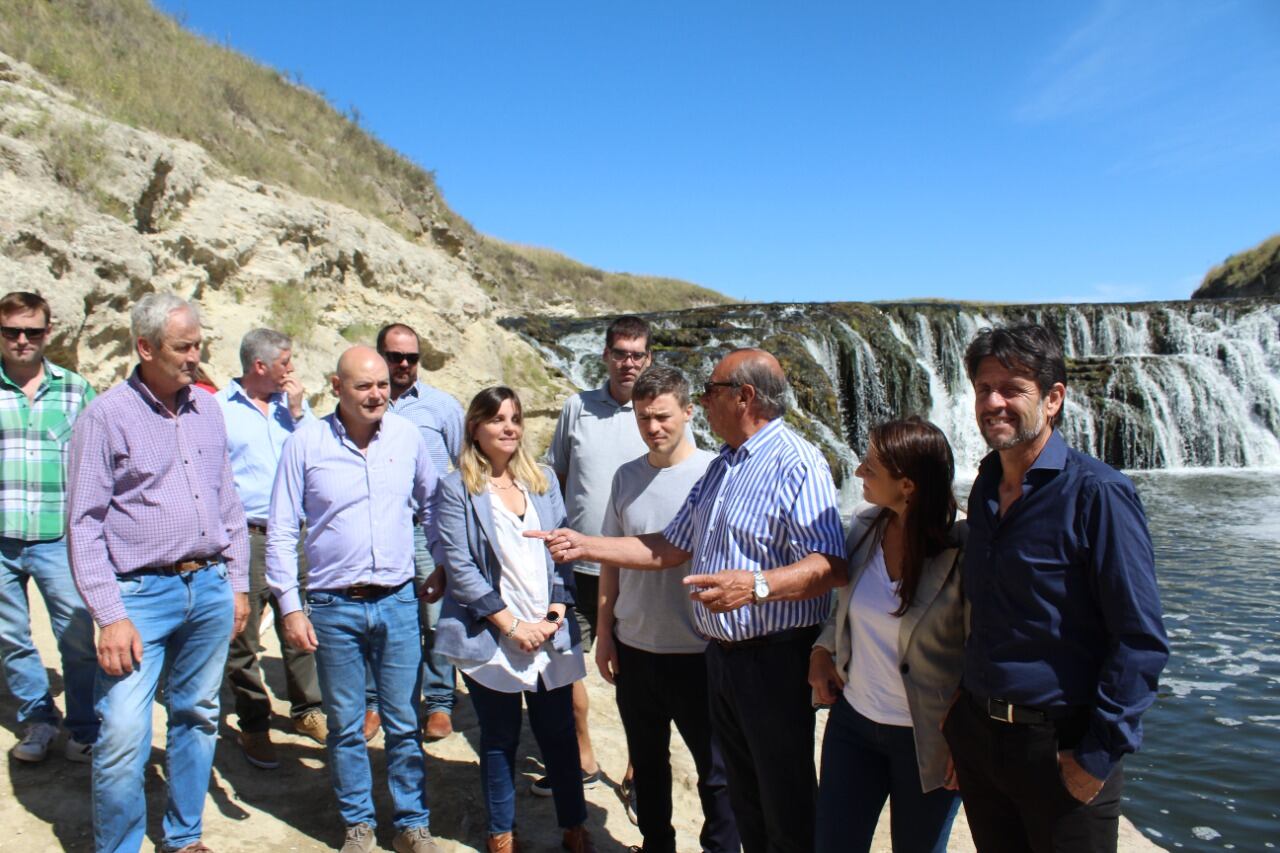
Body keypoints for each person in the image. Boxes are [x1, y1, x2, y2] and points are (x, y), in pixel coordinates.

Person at [532, 347, 847, 853]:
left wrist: (755, 584)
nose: (703, 399)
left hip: (774, 661)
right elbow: (668, 546)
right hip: (722, 660)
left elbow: (831, 564)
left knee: (784, 801)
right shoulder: (724, 467)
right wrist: (584, 544)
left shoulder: (796, 460)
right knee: (746, 797)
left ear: (744, 397)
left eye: (711, 390)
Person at [942, 323, 1169, 853]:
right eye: (982, 389)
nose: (993, 402)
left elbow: (1140, 638)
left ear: (1053, 399)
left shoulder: (1100, 495)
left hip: (1060, 748)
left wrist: (1097, 755)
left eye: (1012, 389)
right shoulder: (984, 490)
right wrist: (962, 721)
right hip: (981, 737)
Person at [67, 293, 250, 853]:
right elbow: (83, 523)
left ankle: (183, 837)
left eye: (199, 345)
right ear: (145, 348)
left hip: (211, 586)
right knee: (123, 732)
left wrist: (237, 582)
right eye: (183, 347)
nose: (195, 356)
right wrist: (109, 614)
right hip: (139, 596)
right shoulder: (105, 417)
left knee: (197, 713)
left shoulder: (208, 409)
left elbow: (228, 502)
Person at [266, 346, 440, 853]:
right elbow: (279, 531)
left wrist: (441, 565)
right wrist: (290, 606)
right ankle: (358, 827)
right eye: (364, 385)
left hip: (398, 602)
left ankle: (412, 825)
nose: (376, 394)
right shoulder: (305, 442)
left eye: (383, 384)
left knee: (405, 721)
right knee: (344, 725)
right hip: (332, 606)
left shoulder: (406, 437)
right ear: (336, 386)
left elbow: (432, 504)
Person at [433, 386, 594, 853]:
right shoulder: (457, 487)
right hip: (493, 636)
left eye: (515, 418)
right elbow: (460, 568)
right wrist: (512, 627)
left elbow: (563, 552)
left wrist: (552, 616)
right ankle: (501, 832)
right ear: (475, 428)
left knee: (559, 734)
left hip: (548, 631)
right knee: (500, 740)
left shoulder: (542, 479)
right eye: (497, 419)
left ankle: (574, 826)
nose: (509, 427)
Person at [594, 365, 740, 853]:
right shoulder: (625, 477)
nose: (653, 428)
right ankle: (657, 844)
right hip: (636, 649)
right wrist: (605, 631)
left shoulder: (715, 474)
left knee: (716, 773)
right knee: (648, 765)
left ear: (688, 411)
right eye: (642, 418)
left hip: (699, 651)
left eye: (662, 417)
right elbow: (612, 558)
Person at [808, 417, 965, 853]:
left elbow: (986, 647)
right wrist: (822, 649)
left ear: (909, 485)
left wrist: (967, 736)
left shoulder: (963, 546)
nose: (858, 472)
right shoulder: (865, 525)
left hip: (926, 738)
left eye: (871, 467)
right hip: (854, 726)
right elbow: (844, 607)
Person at [543, 315, 656, 798]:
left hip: (633, 569)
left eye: (638, 354)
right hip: (574, 565)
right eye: (620, 353)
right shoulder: (577, 407)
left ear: (649, 359)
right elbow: (554, 476)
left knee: (639, 675)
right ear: (605, 356)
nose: (628, 362)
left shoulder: (656, 412)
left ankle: (640, 767)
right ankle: (582, 756)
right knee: (563, 664)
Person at [215, 328, 325, 768]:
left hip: (295, 534)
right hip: (246, 535)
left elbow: (322, 451)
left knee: (299, 628)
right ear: (260, 366)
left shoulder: (293, 407)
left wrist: (299, 413)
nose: (292, 369)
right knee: (242, 638)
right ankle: (255, 724)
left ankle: (306, 711)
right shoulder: (218, 410)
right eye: (285, 361)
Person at [0, 291, 98, 764]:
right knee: (12, 639)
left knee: (77, 637)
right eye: (11, 331)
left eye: (32, 331)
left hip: (60, 538)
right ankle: (38, 721)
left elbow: (101, 463)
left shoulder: (76, 390)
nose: (22, 340)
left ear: (47, 333)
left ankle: (84, 726)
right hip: (2, 540)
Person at [377, 322, 465, 742]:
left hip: (428, 527)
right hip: (378, 530)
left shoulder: (441, 406)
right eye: (396, 357)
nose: (406, 364)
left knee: (435, 619)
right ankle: (376, 702)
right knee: (380, 618)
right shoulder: (365, 402)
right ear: (381, 357)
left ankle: (439, 701)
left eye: (413, 357)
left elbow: (467, 465)